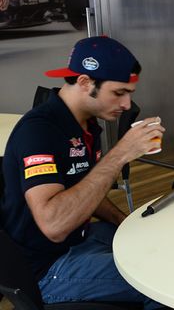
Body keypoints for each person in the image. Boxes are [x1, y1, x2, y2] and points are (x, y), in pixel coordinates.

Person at [0, 36, 164, 309]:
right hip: (48, 268)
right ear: (86, 83)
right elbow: (54, 226)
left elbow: (85, 190)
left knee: (164, 246)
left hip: (82, 239)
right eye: (119, 93)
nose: (126, 105)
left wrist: (125, 221)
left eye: (130, 94)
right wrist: (120, 153)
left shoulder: (86, 126)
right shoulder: (39, 131)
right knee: (162, 277)